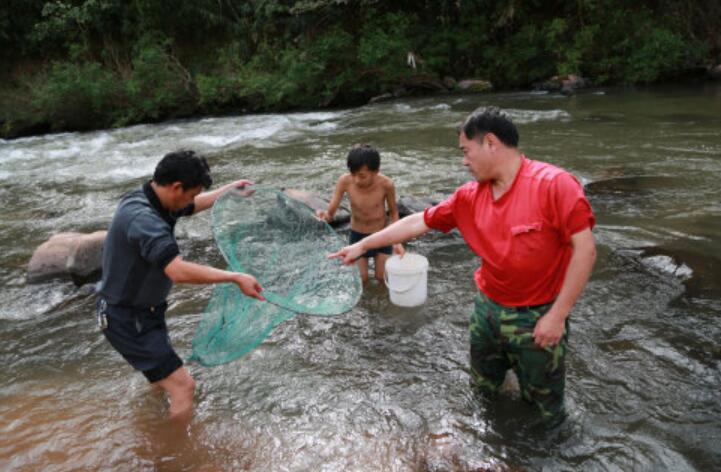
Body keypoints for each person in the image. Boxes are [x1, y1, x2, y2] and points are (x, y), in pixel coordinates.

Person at [330, 108, 596, 427]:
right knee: (483, 392)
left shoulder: (554, 184)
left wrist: (557, 315)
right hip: (487, 311)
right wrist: (363, 244)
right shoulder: (469, 196)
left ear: (491, 143)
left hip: (539, 316)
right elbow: (419, 221)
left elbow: (586, 250)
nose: (464, 161)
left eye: (466, 151)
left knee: (545, 409)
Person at [97, 150, 264, 423]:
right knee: (183, 386)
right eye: (191, 193)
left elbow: (193, 205)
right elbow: (177, 270)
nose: (191, 200)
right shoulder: (144, 219)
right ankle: (177, 452)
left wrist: (229, 191)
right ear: (176, 187)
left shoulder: (153, 199)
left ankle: (150, 428)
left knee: (160, 380)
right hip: (127, 318)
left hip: (143, 312)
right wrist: (235, 277)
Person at [317, 144, 405, 283]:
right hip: (357, 236)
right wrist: (324, 216)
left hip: (381, 235)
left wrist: (396, 241)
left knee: (382, 278)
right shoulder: (344, 181)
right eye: (353, 174)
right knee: (361, 279)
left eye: (362, 176)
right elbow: (330, 213)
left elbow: (394, 213)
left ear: (376, 171)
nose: (357, 180)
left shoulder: (386, 184)